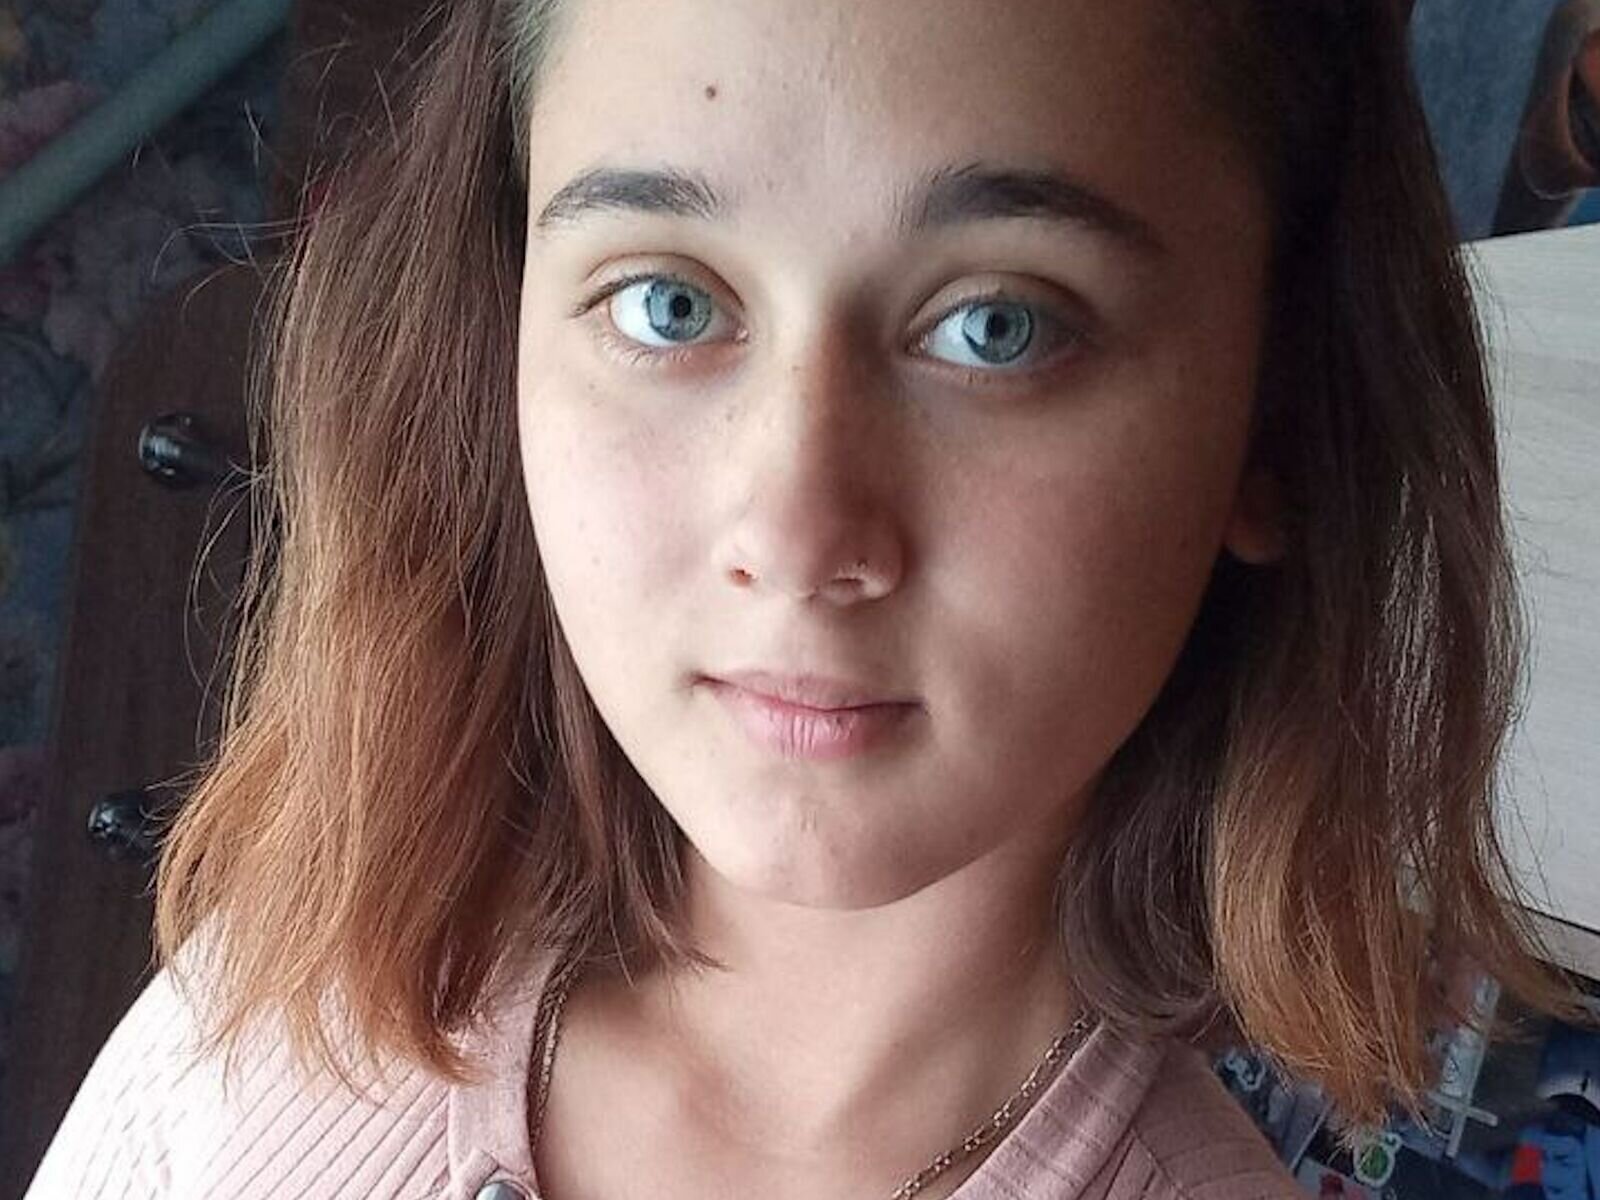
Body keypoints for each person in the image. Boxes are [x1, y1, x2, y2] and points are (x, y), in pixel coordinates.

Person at [23, 0, 1598, 1196]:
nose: (793, 531)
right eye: (668, 302)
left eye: (996, 327)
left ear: (1279, 415)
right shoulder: (259, 1027)